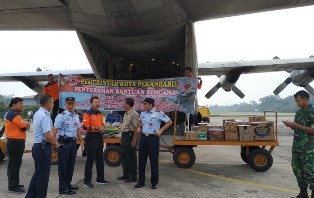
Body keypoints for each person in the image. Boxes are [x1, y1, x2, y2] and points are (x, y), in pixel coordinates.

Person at [25, 94, 61, 198]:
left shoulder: (38, 113)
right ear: (47, 104)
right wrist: (55, 144)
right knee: (43, 178)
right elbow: (47, 135)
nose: (54, 104)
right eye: (53, 102)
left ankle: (30, 196)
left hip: (38, 146)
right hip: (43, 148)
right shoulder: (44, 115)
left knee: (38, 175)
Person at [134, 98, 173, 189]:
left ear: (151, 105)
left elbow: (169, 122)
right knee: (141, 161)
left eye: (145, 104)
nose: (143, 105)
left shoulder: (158, 113)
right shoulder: (143, 113)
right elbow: (139, 122)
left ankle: (154, 182)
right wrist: (138, 127)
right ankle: (141, 181)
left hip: (153, 139)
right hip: (143, 138)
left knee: (153, 161)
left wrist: (161, 130)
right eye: (143, 103)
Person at [283, 90, 314, 198]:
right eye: (296, 101)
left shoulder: (312, 111)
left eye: (298, 101)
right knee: (297, 169)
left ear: (306, 99)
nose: (297, 103)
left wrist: (296, 125)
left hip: (309, 148)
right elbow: (296, 127)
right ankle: (303, 193)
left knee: (310, 171)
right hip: (297, 146)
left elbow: (312, 130)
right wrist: (290, 125)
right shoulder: (299, 112)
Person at [53, 97, 83, 195]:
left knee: (71, 165)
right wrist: (54, 143)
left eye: (72, 103)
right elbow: (55, 130)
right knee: (63, 166)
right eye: (68, 104)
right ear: (65, 104)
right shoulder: (61, 116)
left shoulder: (76, 116)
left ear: (75, 104)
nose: (70, 105)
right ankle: (63, 188)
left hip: (73, 142)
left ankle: (68, 184)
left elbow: (78, 129)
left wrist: (81, 141)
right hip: (64, 143)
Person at [82, 96, 109, 188]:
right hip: (91, 138)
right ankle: (87, 181)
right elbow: (85, 127)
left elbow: (102, 124)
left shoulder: (100, 113)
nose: (98, 104)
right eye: (96, 102)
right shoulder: (87, 113)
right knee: (90, 159)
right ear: (91, 103)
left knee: (100, 158)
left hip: (99, 137)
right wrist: (97, 128)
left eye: (98, 102)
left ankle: (100, 179)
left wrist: (103, 128)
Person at [5, 97, 30, 193]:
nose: (22, 105)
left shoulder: (12, 114)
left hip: (15, 142)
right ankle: (13, 186)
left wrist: (25, 125)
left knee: (15, 164)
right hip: (15, 142)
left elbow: (23, 126)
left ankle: (15, 183)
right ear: (14, 105)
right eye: (20, 104)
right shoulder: (14, 114)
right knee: (14, 165)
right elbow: (24, 127)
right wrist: (26, 125)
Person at [117, 98, 139, 183]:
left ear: (128, 104)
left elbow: (136, 128)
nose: (123, 105)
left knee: (131, 157)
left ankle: (133, 176)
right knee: (124, 156)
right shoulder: (126, 113)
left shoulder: (134, 114)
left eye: (124, 103)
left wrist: (134, 140)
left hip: (130, 136)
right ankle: (125, 174)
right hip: (124, 136)